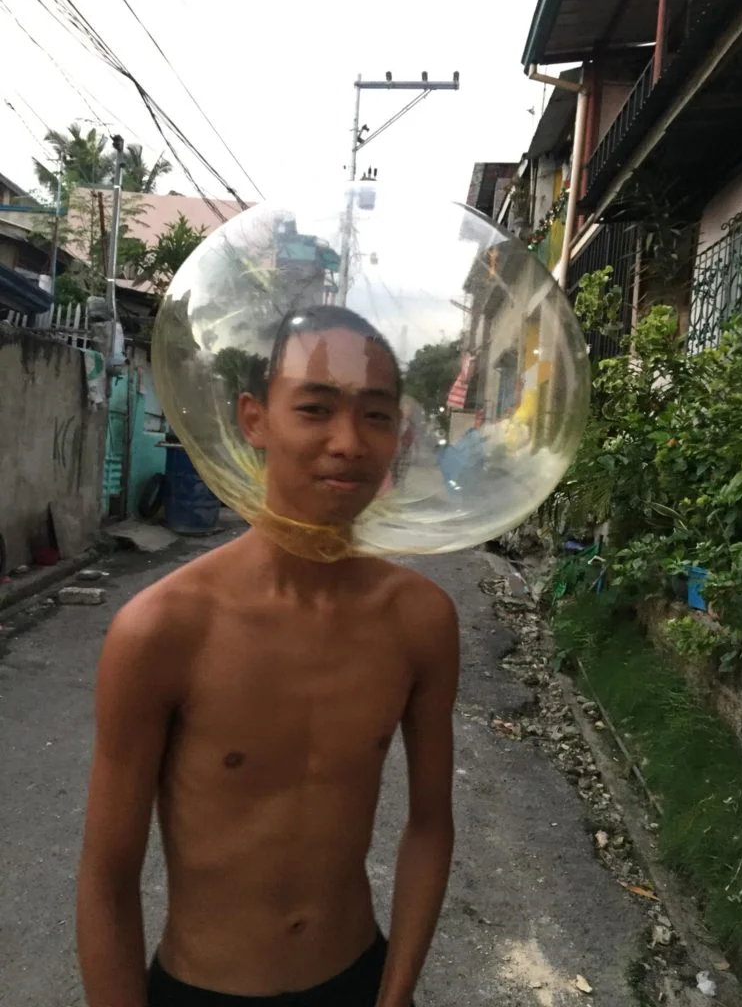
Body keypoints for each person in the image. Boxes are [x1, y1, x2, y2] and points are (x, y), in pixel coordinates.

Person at [77, 305, 460, 1007]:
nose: (347, 442)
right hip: (204, 988)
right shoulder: (163, 631)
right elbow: (107, 879)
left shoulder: (419, 621)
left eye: (375, 416)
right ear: (255, 419)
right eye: (315, 409)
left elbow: (431, 823)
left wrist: (397, 992)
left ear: (398, 432)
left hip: (360, 976)